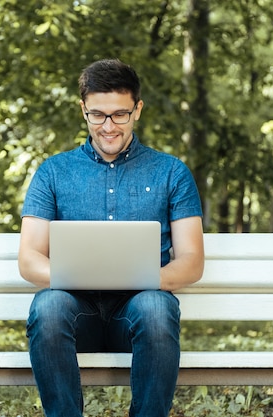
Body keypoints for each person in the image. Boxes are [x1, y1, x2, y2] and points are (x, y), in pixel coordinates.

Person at [18, 58, 205, 417]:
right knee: (48, 306)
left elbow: (191, 262)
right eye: (97, 115)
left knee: (155, 307)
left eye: (120, 114)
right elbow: (29, 259)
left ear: (137, 110)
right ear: (83, 110)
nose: (108, 127)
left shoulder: (172, 173)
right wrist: (82, 277)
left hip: (136, 315)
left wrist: (143, 279)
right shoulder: (53, 172)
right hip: (76, 313)